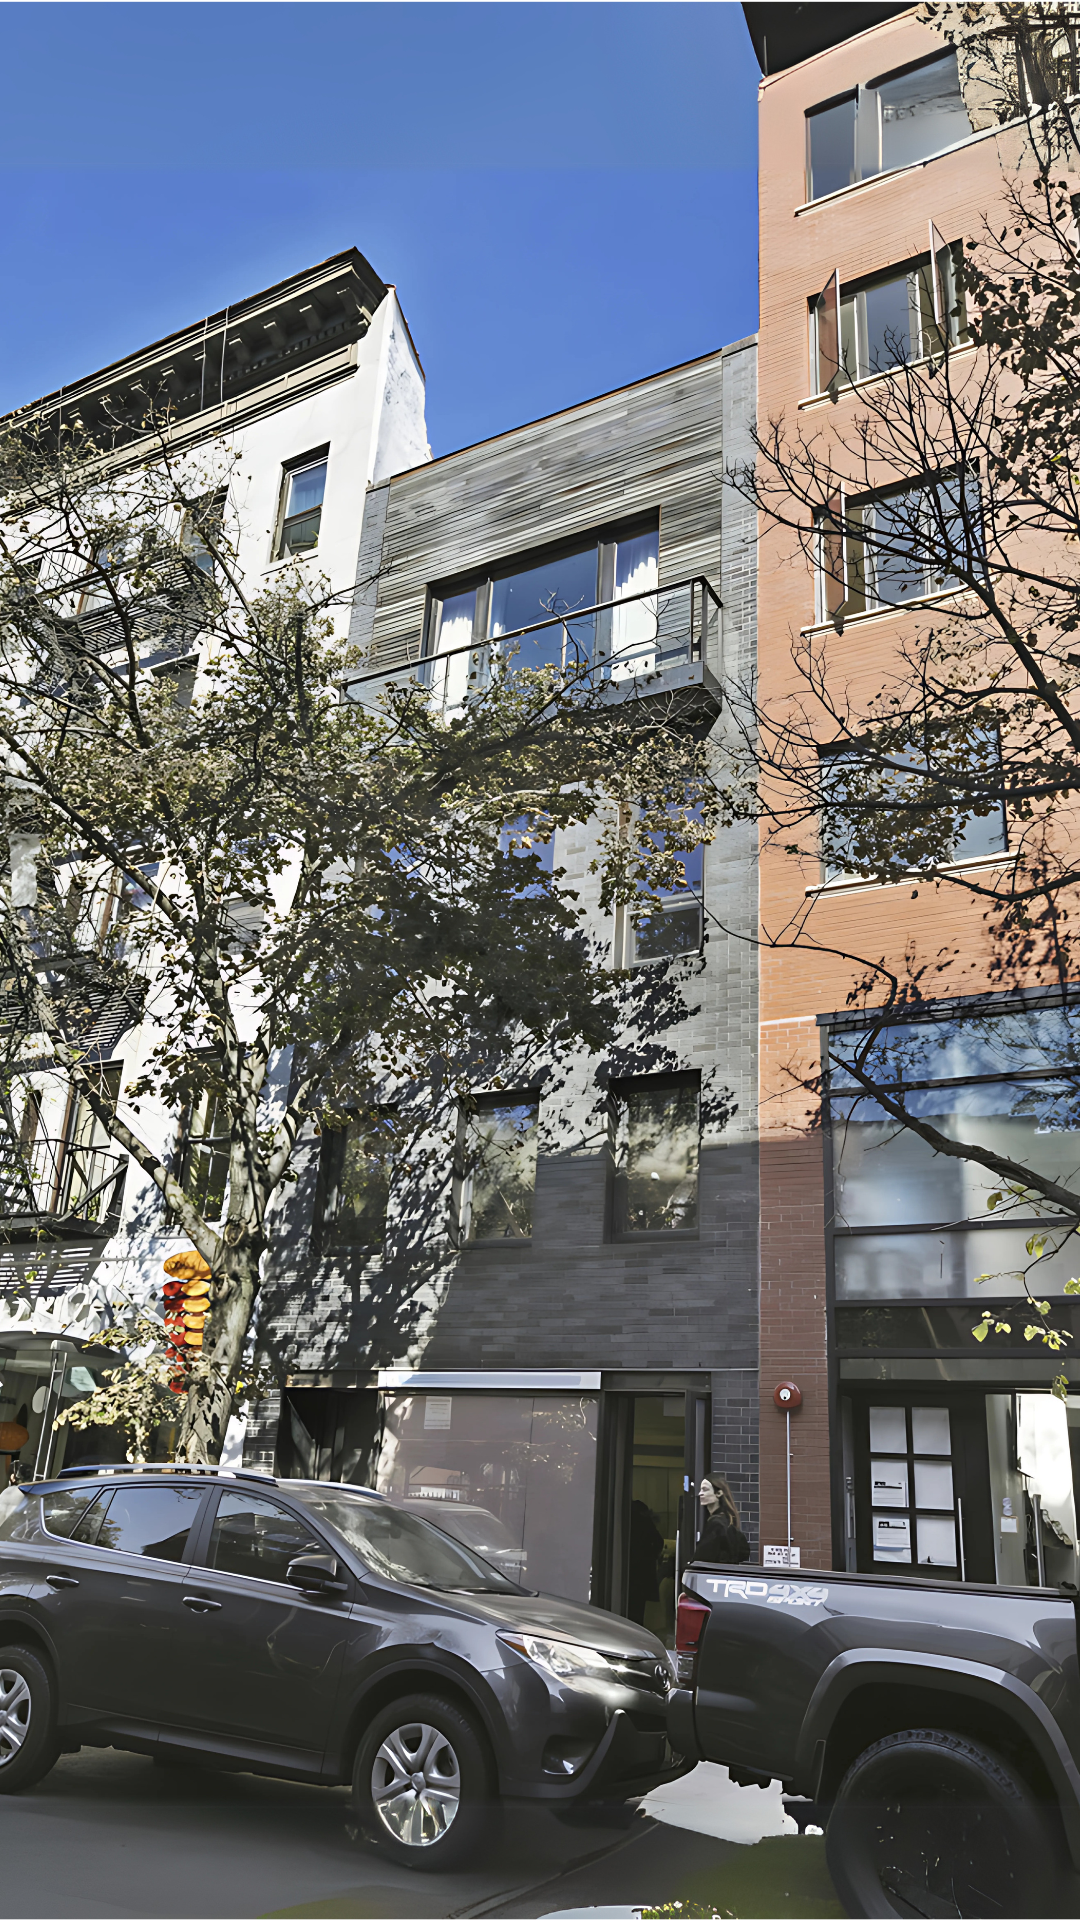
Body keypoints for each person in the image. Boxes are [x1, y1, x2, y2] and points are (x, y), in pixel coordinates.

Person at [695, 1475, 750, 1564]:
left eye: (705, 1489)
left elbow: (702, 1557)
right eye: (701, 1490)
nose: (700, 1493)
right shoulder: (727, 1521)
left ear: (719, 1493)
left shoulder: (716, 1524)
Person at [627, 1498, 665, 1623]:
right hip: (643, 1568)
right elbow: (659, 1541)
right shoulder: (645, 1522)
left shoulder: (626, 1521)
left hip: (629, 1566)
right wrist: (651, 1556)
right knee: (639, 1603)